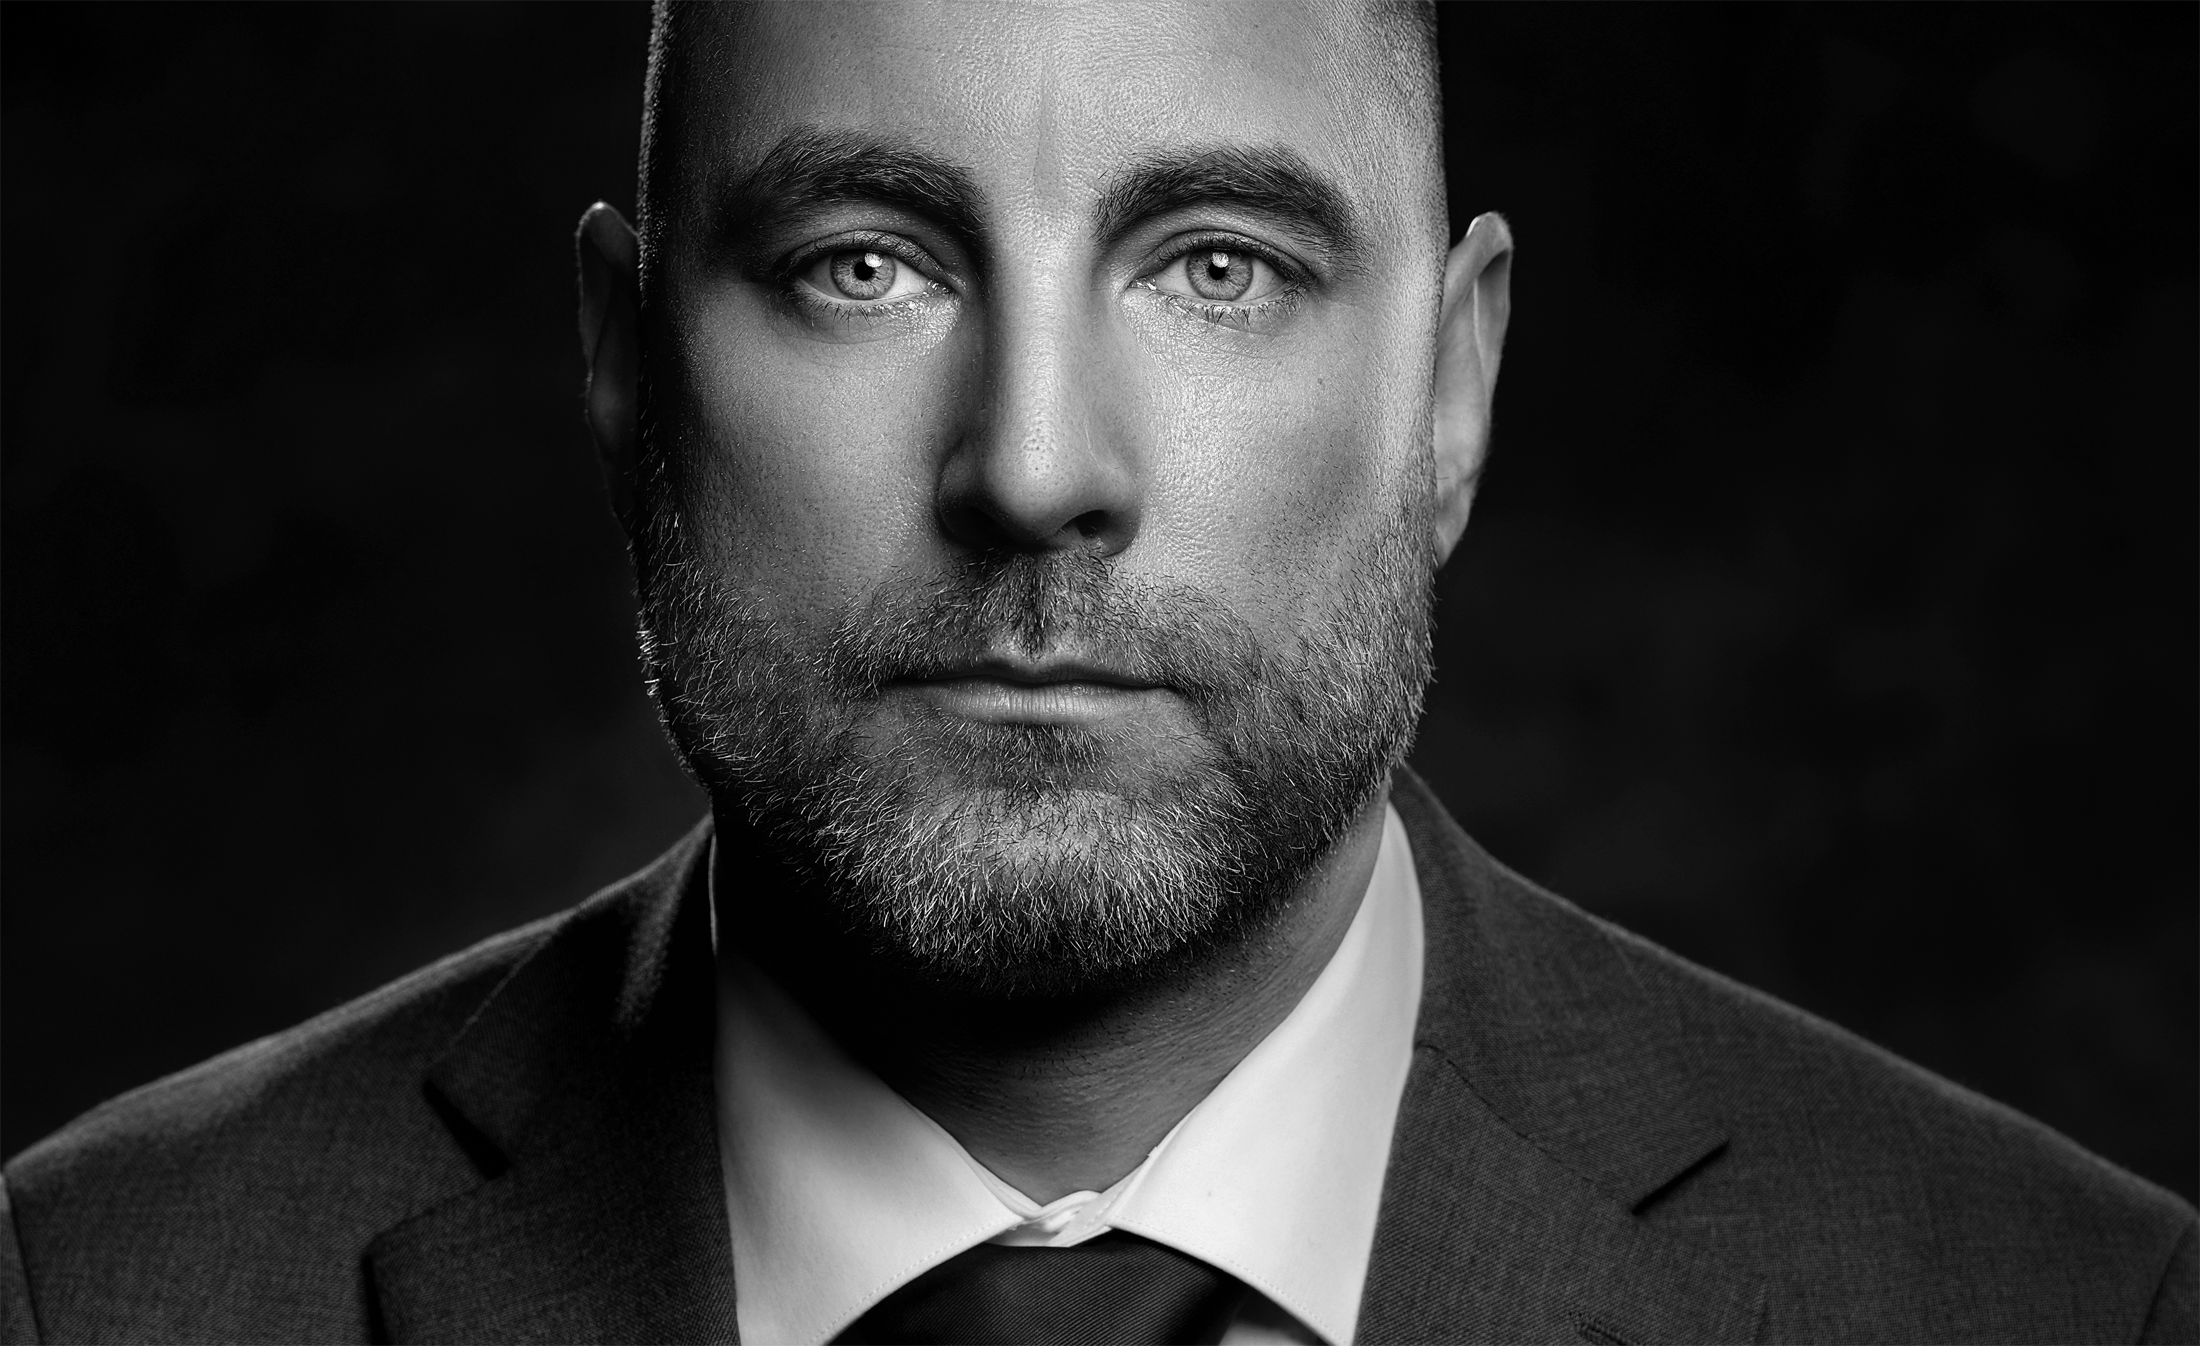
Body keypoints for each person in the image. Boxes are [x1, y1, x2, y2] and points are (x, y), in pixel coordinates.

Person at [3, 0, 2193, 1340]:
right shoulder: (96, 1295)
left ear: (1450, 390)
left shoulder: (2062, 1309)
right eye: (860, 260)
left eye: (1212, 266)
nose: (1035, 467)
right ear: (621, 366)